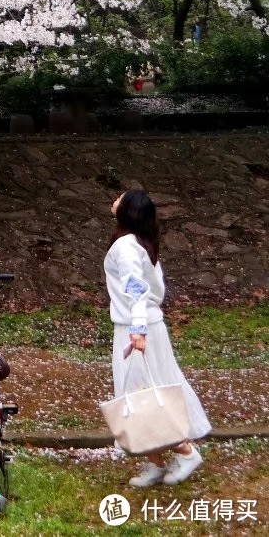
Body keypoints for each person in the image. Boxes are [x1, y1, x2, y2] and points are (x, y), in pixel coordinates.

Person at [105, 190, 210, 487]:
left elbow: (136, 289)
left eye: (119, 199)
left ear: (128, 210)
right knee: (144, 394)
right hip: (142, 326)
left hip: (138, 329)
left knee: (145, 396)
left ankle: (186, 451)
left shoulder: (127, 246)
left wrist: (137, 330)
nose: (114, 201)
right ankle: (155, 462)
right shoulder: (140, 241)